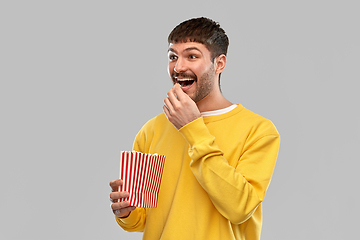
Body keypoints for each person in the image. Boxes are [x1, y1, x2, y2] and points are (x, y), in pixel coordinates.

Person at [109, 17, 280, 240]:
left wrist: (192, 128)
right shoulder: (151, 130)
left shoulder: (258, 130)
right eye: (173, 57)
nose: (178, 67)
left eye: (192, 56)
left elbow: (240, 208)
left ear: (219, 64)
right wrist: (126, 212)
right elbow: (141, 220)